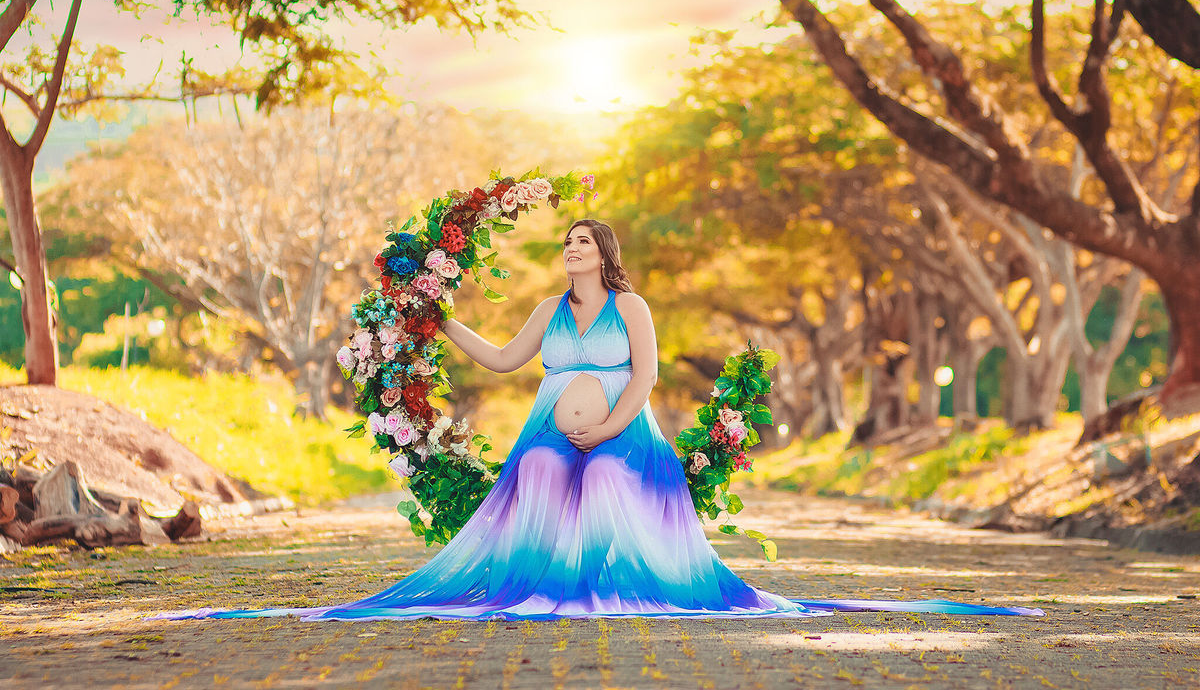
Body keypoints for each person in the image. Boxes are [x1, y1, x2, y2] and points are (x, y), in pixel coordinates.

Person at [149, 219, 1041, 622]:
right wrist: (432, 317)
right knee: (533, 477)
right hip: (548, 428)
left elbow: (648, 378)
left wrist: (611, 426)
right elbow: (500, 359)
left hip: (621, 432)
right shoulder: (547, 308)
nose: (571, 250)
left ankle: (624, 584)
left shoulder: (633, 306)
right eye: (567, 243)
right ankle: (531, 582)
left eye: (582, 242)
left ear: (604, 255)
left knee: (610, 482)